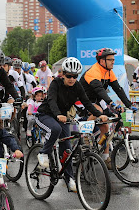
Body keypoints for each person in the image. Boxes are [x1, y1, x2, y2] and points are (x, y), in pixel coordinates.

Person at [35, 57, 108, 192]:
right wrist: (58, 115)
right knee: (55, 129)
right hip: (45, 115)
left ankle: (69, 179)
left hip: (63, 118)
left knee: (67, 149)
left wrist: (99, 115)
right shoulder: (56, 83)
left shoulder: (77, 86)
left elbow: (86, 102)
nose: (72, 79)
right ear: (63, 73)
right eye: (69, 76)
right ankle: (43, 153)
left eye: (75, 76)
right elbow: (51, 101)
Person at [79, 48, 136, 168]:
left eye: (114, 59)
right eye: (110, 59)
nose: (113, 62)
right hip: (81, 101)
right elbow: (99, 90)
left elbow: (118, 89)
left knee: (105, 126)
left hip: (95, 101)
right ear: (102, 61)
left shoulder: (109, 72)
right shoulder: (93, 71)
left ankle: (105, 158)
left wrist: (130, 105)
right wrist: (111, 103)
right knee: (99, 111)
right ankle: (85, 137)